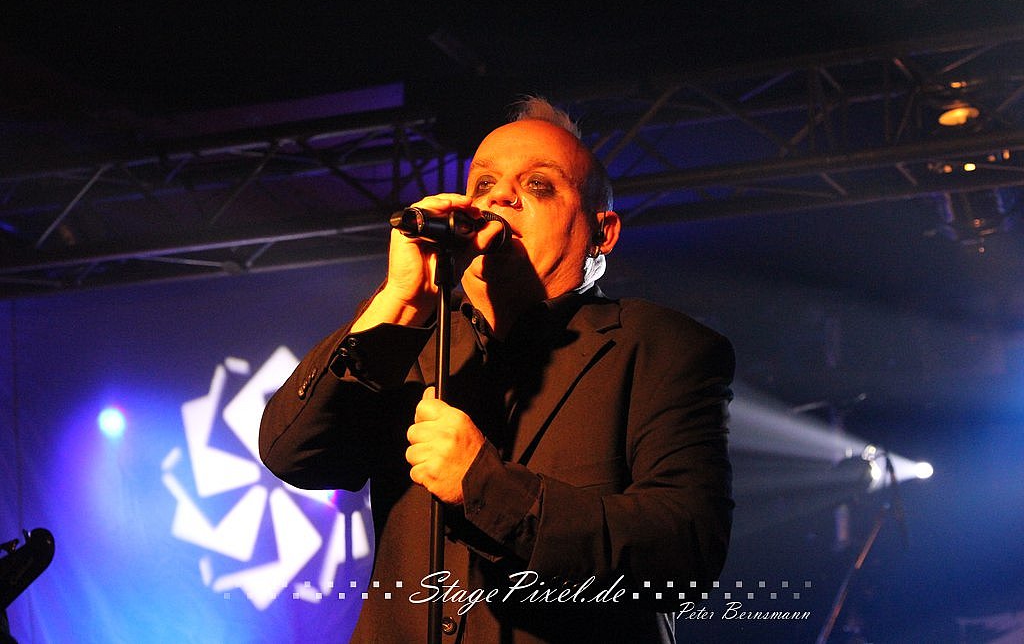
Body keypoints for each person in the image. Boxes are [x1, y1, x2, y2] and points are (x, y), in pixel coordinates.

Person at [259, 97, 734, 643]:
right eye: (484, 184)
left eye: (539, 186)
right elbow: (294, 454)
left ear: (601, 232)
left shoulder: (659, 346)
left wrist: (485, 486)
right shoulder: (411, 337)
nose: (500, 197)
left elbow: (686, 558)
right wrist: (401, 299)